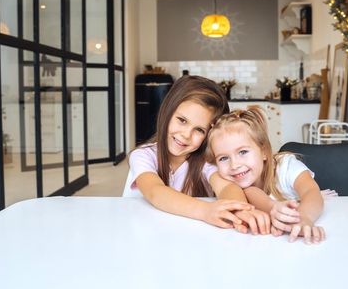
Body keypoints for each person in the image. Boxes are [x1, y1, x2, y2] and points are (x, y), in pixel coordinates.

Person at [123, 75, 270, 234]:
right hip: (144, 233)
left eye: (199, 130)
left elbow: (228, 188)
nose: (186, 134)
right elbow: (155, 191)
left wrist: (239, 210)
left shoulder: (206, 162)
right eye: (182, 120)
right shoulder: (143, 155)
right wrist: (206, 211)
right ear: (167, 111)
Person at [206, 107, 325, 244]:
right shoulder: (230, 181)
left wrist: (304, 218)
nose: (234, 165)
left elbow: (311, 191)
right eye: (223, 158)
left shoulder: (285, 167)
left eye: (243, 152)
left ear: (263, 151)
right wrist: (273, 209)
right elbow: (253, 193)